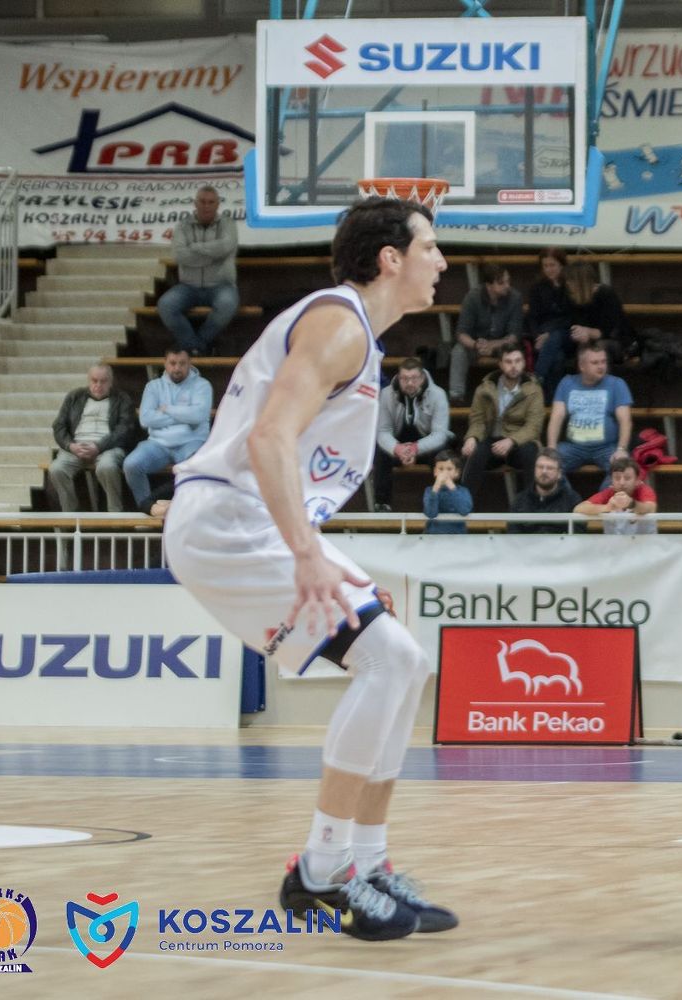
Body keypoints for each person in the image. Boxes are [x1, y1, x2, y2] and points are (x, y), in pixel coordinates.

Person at [164, 195, 455, 941]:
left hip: (253, 517)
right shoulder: (338, 325)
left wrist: (317, 551)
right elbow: (267, 439)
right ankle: (322, 871)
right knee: (385, 659)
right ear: (390, 259)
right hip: (229, 520)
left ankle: (368, 861)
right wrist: (306, 556)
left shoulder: (355, 334)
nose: (441, 260)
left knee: (405, 662)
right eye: (430, 246)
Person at [123, 347, 213, 512]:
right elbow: (145, 419)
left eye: (182, 363)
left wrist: (167, 409)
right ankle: (149, 510)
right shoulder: (153, 386)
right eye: (172, 363)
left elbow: (199, 415)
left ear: (189, 363)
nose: (177, 368)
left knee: (196, 468)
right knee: (131, 465)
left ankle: (185, 512)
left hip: (192, 442)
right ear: (165, 363)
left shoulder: (202, 385)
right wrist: (185, 415)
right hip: (157, 444)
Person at [158, 185, 239, 354]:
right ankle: (196, 347)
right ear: (195, 203)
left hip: (221, 285)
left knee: (228, 304)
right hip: (188, 286)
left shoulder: (228, 224)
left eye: (211, 202)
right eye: (202, 201)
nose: (206, 205)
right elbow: (179, 255)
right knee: (165, 305)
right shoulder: (183, 226)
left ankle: (197, 345)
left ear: (218, 204)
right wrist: (213, 256)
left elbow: (226, 246)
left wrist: (195, 247)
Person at [460, 340, 544, 501]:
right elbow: (477, 420)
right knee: (473, 452)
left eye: (518, 361)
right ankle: (463, 504)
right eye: (508, 361)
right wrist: (472, 437)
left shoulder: (533, 389)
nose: (514, 366)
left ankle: (532, 506)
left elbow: (534, 426)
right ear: (500, 364)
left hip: (520, 442)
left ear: (524, 362)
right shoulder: (485, 388)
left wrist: (511, 440)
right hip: (491, 441)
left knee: (531, 453)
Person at [49, 364, 137, 513]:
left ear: (111, 382)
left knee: (107, 467)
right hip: (76, 446)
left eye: (103, 381)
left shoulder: (122, 399)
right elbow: (59, 426)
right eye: (94, 380)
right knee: (56, 469)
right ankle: (70, 515)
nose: (98, 385)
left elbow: (125, 429)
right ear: (88, 380)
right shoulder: (74, 396)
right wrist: (70, 446)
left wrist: (99, 446)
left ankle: (115, 513)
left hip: (108, 447)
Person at [373, 357, 451, 513]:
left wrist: (415, 448)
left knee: (442, 453)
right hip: (398, 445)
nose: (409, 383)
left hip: (427, 446)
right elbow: (383, 432)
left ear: (422, 378)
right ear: (398, 378)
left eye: (414, 378)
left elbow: (440, 434)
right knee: (380, 451)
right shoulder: (386, 394)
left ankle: (445, 502)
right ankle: (382, 504)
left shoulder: (438, 394)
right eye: (404, 378)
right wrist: (397, 449)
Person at [546, 342, 633, 479]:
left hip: (606, 448)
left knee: (622, 469)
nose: (601, 366)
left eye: (603, 362)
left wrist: (621, 449)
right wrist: (551, 447)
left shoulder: (617, 384)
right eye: (595, 363)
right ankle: (567, 494)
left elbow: (625, 421)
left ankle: (604, 494)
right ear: (582, 366)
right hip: (573, 447)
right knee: (547, 465)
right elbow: (556, 417)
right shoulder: (567, 383)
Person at [448, 264, 524, 404]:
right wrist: (476, 344)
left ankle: (514, 396)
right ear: (489, 285)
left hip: (503, 345)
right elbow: (461, 333)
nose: (507, 286)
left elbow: (514, 336)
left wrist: (492, 345)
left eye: (508, 281)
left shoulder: (515, 298)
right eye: (501, 283)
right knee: (458, 351)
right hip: (477, 344)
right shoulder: (473, 297)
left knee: (514, 352)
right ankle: (456, 396)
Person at [527, 247, 574, 399]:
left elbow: (572, 316)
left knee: (555, 337)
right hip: (544, 335)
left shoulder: (570, 285)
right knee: (557, 357)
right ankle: (552, 398)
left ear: (561, 265)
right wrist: (537, 337)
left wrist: (549, 334)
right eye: (545, 266)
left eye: (552, 265)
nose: (549, 269)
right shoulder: (537, 287)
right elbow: (532, 317)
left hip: (568, 334)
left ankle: (537, 376)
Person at [572, 455, 657, 535]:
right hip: (614, 543)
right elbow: (578, 509)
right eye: (617, 478)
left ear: (637, 481)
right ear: (611, 481)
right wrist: (607, 507)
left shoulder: (644, 490)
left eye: (627, 478)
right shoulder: (608, 493)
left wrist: (632, 504)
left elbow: (650, 508)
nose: (622, 483)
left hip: (646, 542)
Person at [508, 447, 582, 533]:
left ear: (559, 474)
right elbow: (513, 535)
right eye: (540, 467)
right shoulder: (519, 501)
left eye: (550, 468)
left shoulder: (572, 500)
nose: (544, 471)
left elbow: (578, 535)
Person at [422, 450, 472, 535]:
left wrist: (451, 487)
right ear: (435, 471)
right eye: (441, 469)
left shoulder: (463, 491)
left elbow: (464, 510)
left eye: (449, 469)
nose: (444, 473)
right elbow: (431, 513)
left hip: (458, 536)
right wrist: (436, 488)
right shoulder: (430, 491)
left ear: (457, 472)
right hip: (433, 535)